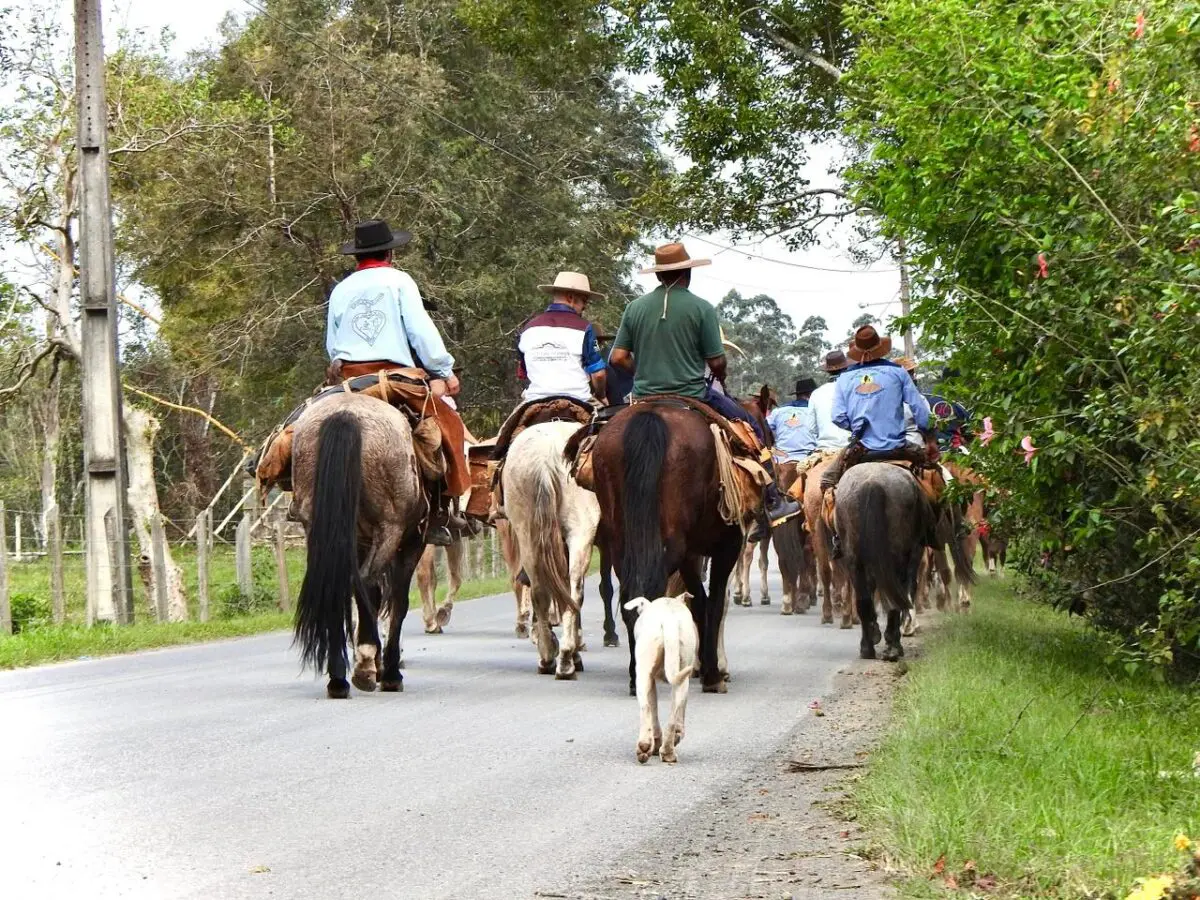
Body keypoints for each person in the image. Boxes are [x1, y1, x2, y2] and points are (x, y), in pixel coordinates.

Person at [608, 241, 802, 539]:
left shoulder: (634, 308)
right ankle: (772, 499)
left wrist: (643, 373)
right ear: (687, 272)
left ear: (659, 276)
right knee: (750, 428)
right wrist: (720, 372)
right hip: (692, 395)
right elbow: (716, 360)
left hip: (644, 396)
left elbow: (618, 357)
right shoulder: (702, 308)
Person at [326, 218, 469, 546]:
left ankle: (294, 492)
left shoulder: (341, 289)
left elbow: (333, 345)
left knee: (299, 423)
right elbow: (421, 331)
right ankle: (441, 510)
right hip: (395, 375)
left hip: (350, 378)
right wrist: (444, 370)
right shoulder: (400, 281)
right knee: (448, 426)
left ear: (356, 257)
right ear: (390, 253)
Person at [820, 325, 935, 494]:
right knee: (937, 479)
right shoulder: (899, 372)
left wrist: (857, 427)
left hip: (861, 449)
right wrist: (931, 440)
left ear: (857, 351)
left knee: (826, 481)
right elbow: (920, 411)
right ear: (880, 348)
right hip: (897, 446)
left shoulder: (844, 378)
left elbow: (837, 417)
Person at [516, 271, 607, 403]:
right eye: (584, 301)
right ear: (570, 297)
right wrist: (601, 395)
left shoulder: (528, 328)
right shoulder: (585, 328)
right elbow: (598, 375)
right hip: (578, 399)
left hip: (535, 399)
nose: (584, 307)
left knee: (510, 424)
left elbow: (524, 371)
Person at [807, 350, 853, 452]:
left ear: (827, 371)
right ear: (847, 368)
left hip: (826, 448)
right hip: (851, 447)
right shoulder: (854, 389)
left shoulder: (816, 393)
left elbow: (811, 428)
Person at [767, 378, 818, 462]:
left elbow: (765, 428)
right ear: (811, 394)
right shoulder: (815, 411)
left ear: (797, 395)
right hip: (808, 458)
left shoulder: (778, 411)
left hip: (781, 459)